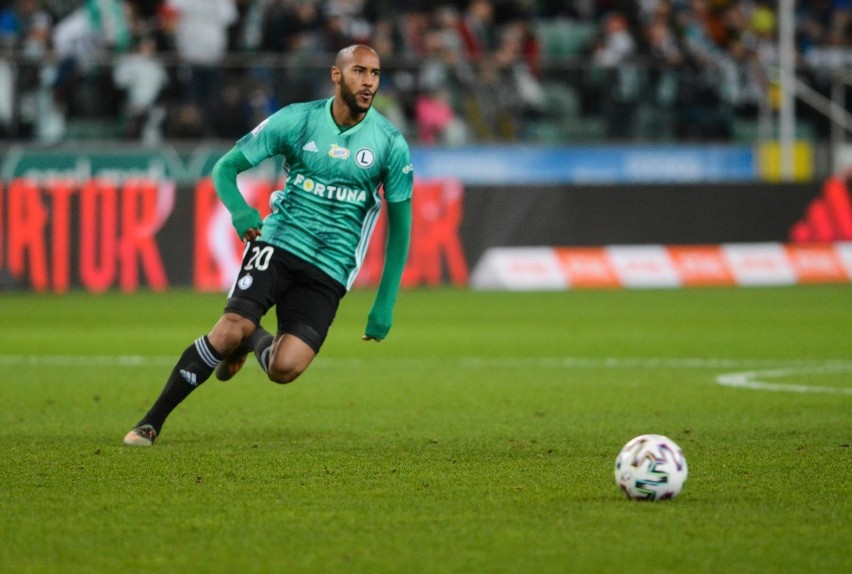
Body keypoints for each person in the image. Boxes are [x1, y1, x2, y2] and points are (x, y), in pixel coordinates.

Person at [123, 44, 414, 446]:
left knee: (284, 368)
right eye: (359, 72)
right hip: (278, 243)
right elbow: (226, 167)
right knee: (227, 329)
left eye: (375, 74)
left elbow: (401, 227)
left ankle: (252, 339)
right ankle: (150, 422)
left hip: (330, 267)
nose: (368, 83)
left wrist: (385, 303)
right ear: (336, 75)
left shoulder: (390, 142)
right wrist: (240, 210)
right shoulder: (297, 120)